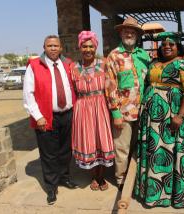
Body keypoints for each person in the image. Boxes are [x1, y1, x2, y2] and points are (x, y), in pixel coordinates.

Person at [134, 32, 184, 208]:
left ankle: (176, 196)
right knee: (155, 150)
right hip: (153, 118)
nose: (167, 47)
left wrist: (180, 116)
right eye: (164, 44)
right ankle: (154, 193)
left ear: (178, 47)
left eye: (171, 44)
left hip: (172, 116)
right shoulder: (155, 63)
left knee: (173, 152)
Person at [23, 35, 78, 205]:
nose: (53, 48)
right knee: (49, 154)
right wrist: (38, 116)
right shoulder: (34, 66)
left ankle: (64, 177)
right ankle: (51, 187)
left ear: (61, 48)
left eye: (56, 45)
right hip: (46, 117)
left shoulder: (68, 64)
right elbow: (28, 94)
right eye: (50, 45)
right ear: (44, 47)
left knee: (65, 150)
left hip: (68, 114)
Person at [105, 16, 150, 190]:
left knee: (139, 146)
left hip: (143, 110)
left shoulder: (144, 55)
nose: (129, 34)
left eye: (133, 32)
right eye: (126, 31)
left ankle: (136, 176)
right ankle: (121, 180)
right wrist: (115, 113)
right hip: (123, 113)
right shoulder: (114, 56)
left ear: (137, 36)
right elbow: (110, 87)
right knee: (122, 148)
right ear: (121, 33)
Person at [70, 31, 115, 191]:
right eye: (84, 46)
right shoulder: (73, 67)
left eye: (91, 46)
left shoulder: (104, 64)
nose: (88, 49)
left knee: (100, 140)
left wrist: (114, 110)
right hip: (82, 109)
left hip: (101, 106)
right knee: (89, 141)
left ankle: (101, 176)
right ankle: (93, 177)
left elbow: (112, 88)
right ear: (80, 47)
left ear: (95, 47)